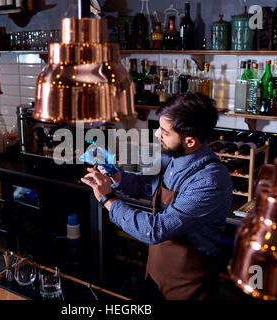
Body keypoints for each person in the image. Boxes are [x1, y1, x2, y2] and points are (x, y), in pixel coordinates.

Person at [81, 92, 233, 300]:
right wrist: (115, 175)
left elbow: (156, 230)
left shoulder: (210, 181)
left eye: (164, 131)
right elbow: (145, 184)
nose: (157, 135)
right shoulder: (169, 156)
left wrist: (108, 200)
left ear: (189, 141)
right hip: (155, 276)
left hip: (189, 288)